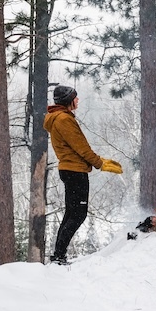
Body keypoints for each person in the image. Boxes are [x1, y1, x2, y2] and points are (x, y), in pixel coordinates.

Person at [43, 85, 122, 265]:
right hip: (75, 171)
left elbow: (77, 147)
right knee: (78, 214)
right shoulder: (64, 119)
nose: (78, 100)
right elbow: (81, 148)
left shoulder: (59, 118)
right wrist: (101, 164)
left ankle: (58, 255)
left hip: (69, 169)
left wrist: (100, 160)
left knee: (71, 213)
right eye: (75, 97)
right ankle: (59, 256)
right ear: (67, 100)